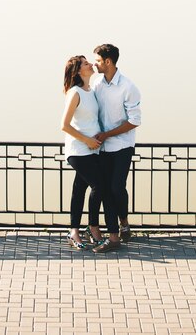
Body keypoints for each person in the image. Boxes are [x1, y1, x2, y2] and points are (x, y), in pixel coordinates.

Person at [61, 55, 119, 252]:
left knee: (79, 189)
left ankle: (74, 231)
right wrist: (87, 140)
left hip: (93, 150)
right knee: (99, 186)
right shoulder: (75, 92)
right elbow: (65, 125)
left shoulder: (91, 91)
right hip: (78, 150)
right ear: (78, 71)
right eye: (86, 63)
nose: (91, 64)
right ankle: (93, 228)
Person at [92, 43, 141, 250]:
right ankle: (114, 236)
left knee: (116, 188)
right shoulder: (97, 84)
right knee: (105, 191)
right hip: (102, 148)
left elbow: (134, 120)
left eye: (98, 61)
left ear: (108, 62)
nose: (95, 65)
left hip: (122, 146)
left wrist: (108, 134)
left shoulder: (128, 87)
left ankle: (124, 222)